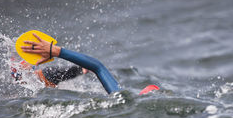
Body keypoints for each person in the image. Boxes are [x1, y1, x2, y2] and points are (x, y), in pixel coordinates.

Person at [19, 33, 159, 95]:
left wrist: (56, 51)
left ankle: (31, 74)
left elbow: (98, 67)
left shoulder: (122, 97)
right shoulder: (123, 101)